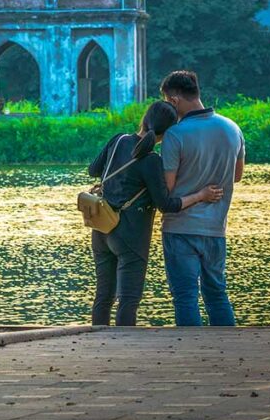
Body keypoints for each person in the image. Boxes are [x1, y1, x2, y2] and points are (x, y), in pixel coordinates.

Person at [88, 101, 223, 326]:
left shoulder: (118, 140)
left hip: (102, 228)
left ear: (145, 118)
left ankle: (97, 347)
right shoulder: (151, 161)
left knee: (103, 296)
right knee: (128, 300)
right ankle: (124, 349)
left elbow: (93, 170)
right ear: (168, 132)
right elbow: (167, 204)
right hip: (130, 235)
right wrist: (201, 195)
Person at [159, 70, 245, 326]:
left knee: (185, 296)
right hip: (216, 228)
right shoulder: (232, 128)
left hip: (180, 228)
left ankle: (190, 352)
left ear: (174, 100)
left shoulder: (175, 135)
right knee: (217, 293)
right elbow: (237, 176)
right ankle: (229, 351)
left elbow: (168, 188)